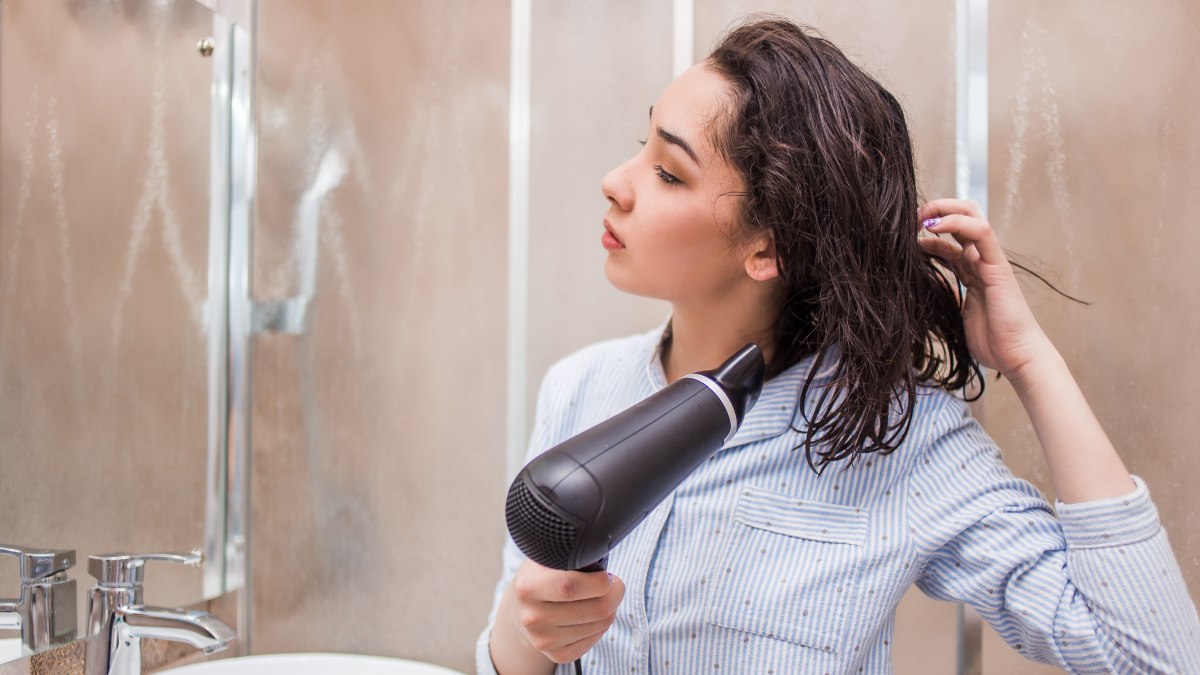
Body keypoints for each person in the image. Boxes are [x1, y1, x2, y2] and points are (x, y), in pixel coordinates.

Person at [477, 16, 1200, 675]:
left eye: (669, 172)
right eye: (644, 147)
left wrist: (1030, 359)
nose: (616, 182)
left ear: (769, 246)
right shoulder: (579, 388)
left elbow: (1152, 658)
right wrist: (527, 621)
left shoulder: (897, 438)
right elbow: (510, 660)